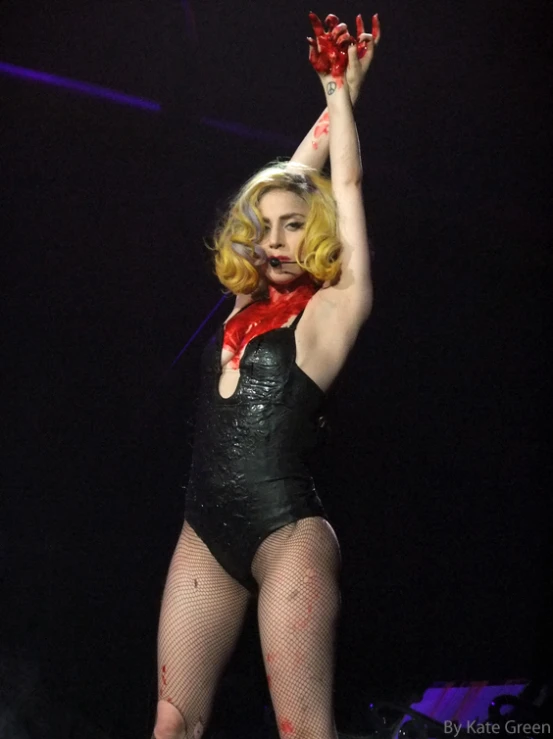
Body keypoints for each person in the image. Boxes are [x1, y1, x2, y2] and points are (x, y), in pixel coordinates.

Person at [152, 10, 381, 739]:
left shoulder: (332, 311)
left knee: (302, 727)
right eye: (266, 226)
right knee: (170, 720)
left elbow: (339, 179)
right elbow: (291, 175)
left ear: (313, 233)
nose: (277, 239)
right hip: (205, 527)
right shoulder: (242, 301)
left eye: (294, 225)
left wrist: (343, 98)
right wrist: (333, 88)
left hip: (286, 532)